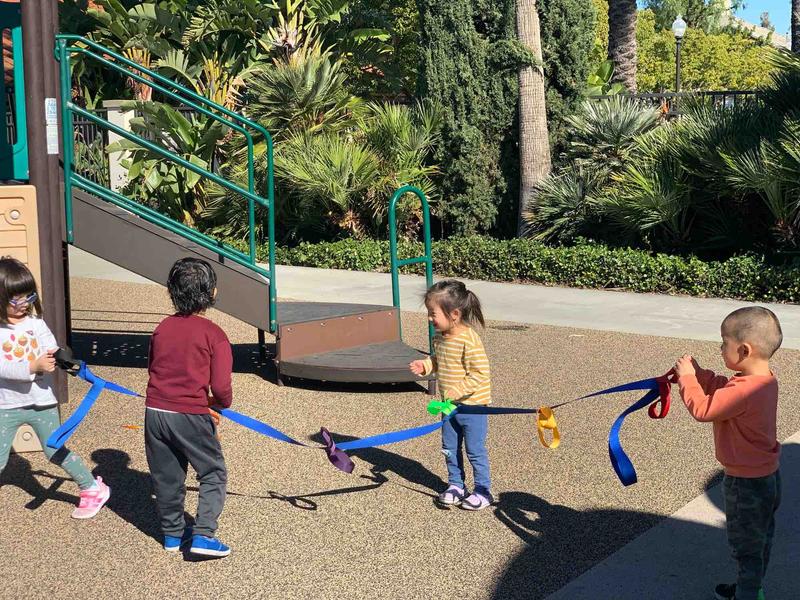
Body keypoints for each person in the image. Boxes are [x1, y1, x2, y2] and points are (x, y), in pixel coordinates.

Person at [674, 307, 782, 600]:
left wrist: (687, 379)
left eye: (724, 343)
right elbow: (724, 389)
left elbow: (703, 409)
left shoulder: (744, 390)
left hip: (746, 485)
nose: (720, 348)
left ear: (744, 350)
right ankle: (751, 588)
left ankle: (747, 594)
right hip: (767, 477)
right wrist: (700, 375)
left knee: (746, 547)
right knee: (759, 540)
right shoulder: (763, 380)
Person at [0, 257, 110, 518]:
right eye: (16, 299)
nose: (24, 304)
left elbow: (51, 348)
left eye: (29, 296)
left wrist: (64, 359)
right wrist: (33, 366)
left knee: (53, 450)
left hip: (41, 403)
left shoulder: (36, 324)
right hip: (6, 405)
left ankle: (92, 488)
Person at [145, 258, 233, 557]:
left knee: (167, 476)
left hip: (156, 412)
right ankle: (204, 533)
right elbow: (220, 385)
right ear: (213, 293)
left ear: (171, 292)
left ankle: (172, 535)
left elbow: (154, 368)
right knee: (212, 471)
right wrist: (219, 404)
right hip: (191, 415)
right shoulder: (214, 334)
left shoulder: (162, 328)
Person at [410, 280, 493, 510]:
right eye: (429, 313)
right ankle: (456, 485)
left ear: (454, 314)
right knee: (449, 447)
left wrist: (458, 389)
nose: (430, 318)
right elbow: (438, 360)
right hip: (448, 406)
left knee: (474, 450)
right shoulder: (439, 337)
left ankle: (483, 490)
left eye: (433, 313)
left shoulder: (469, 340)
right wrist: (426, 365)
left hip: (472, 407)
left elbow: (480, 373)